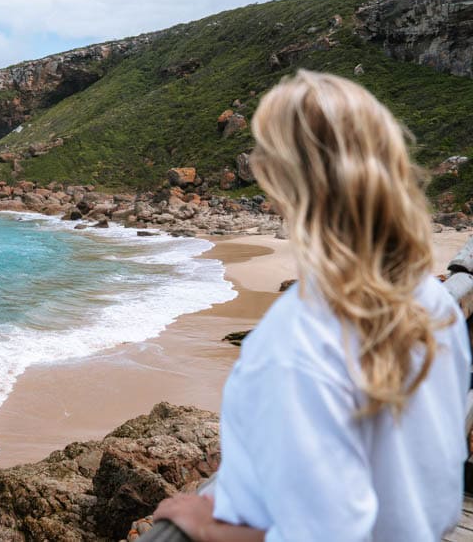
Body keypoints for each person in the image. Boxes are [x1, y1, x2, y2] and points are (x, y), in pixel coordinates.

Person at [154, 70, 471, 541]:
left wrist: (207, 529)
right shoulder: (431, 300)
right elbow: (433, 492)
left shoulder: (295, 341)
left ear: (283, 182)